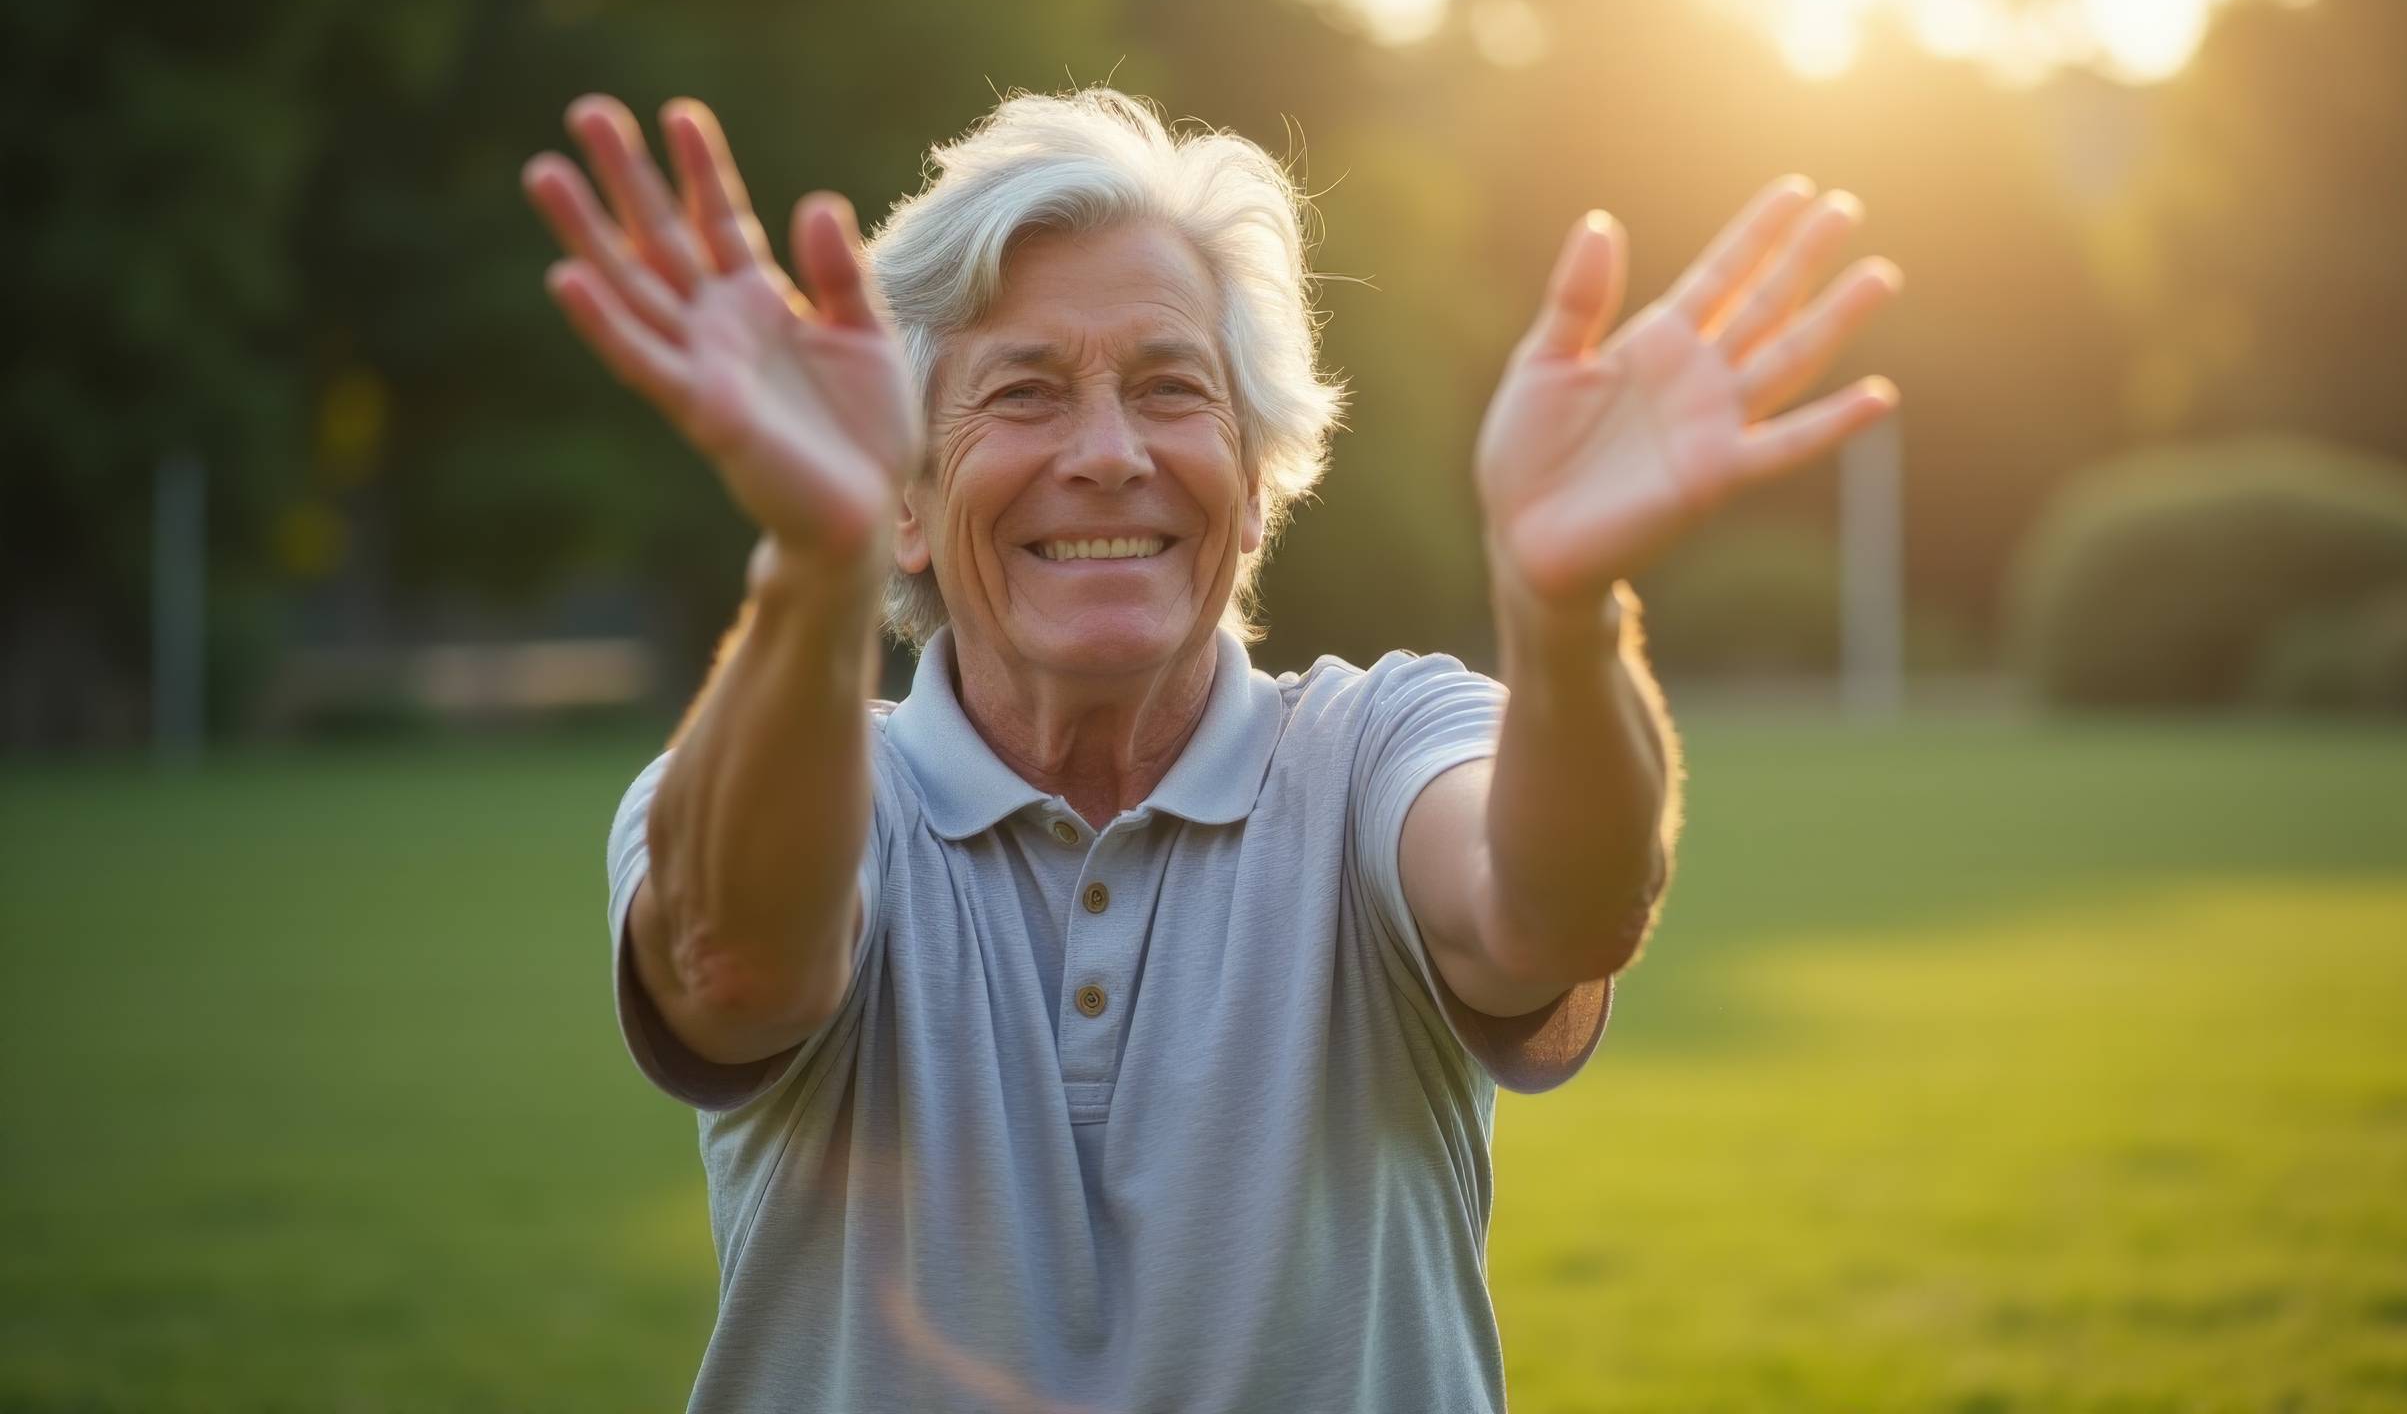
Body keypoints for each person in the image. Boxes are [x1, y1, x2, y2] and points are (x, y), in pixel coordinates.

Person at [522, 85, 1900, 1412]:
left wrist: (1565, 609)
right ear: (904, 497)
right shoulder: (797, 786)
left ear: (1254, 482)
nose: (1110, 451)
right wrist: (806, 573)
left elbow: (1559, 907)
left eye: (1172, 387)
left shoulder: (1378, 745)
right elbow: (738, 962)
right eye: (1023, 394)